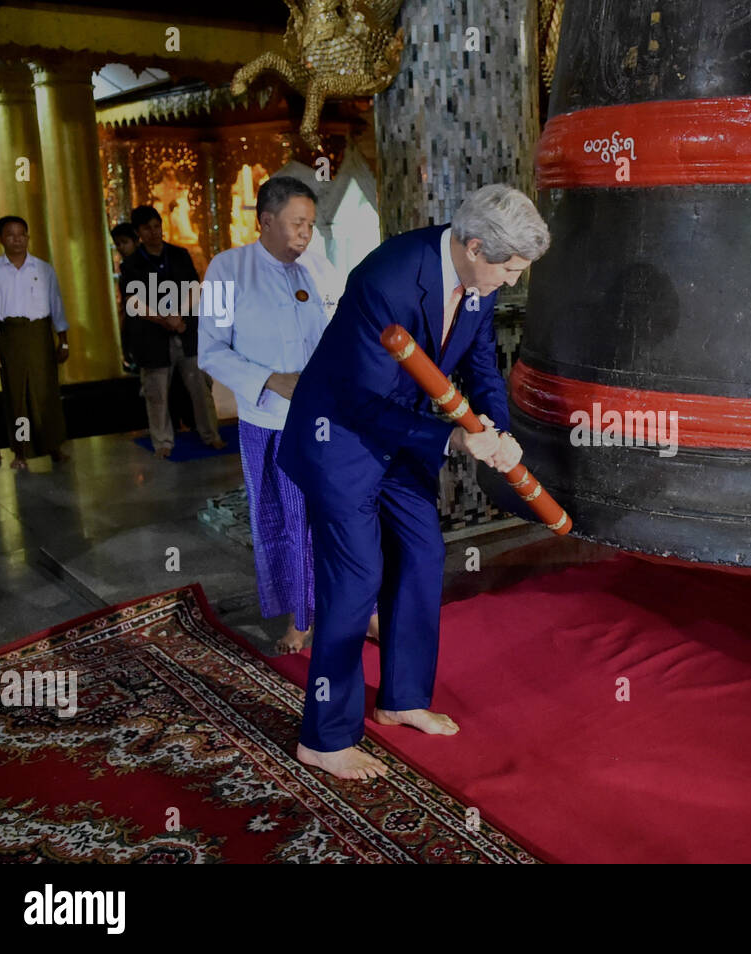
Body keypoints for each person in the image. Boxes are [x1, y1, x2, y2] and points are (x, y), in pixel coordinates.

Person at [278, 183, 549, 780]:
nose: (513, 281)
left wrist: (497, 433)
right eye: (509, 268)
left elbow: (479, 365)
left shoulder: (477, 283)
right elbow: (361, 400)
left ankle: (401, 699)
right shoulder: (389, 278)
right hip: (342, 435)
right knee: (356, 581)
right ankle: (323, 737)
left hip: (399, 434)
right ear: (475, 246)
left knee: (423, 554)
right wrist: (453, 439)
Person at [199, 176, 336, 654]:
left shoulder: (317, 268)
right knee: (286, 520)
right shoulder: (226, 269)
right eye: (297, 224)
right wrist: (271, 379)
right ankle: (302, 616)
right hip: (269, 421)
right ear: (266, 221)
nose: (305, 234)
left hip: (322, 421)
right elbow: (210, 352)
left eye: (311, 226)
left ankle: (354, 610)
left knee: (335, 517)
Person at [120, 205, 224, 458]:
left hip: (185, 330)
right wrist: (164, 319)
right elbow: (133, 301)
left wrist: (178, 316)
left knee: (200, 387)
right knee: (157, 393)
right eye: (147, 228)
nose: (154, 232)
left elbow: (193, 288)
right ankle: (163, 442)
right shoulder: (132, 264)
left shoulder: (179, 255)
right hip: (152, 336)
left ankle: (211, 434)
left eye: (157, 226)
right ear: (138, 233)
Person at [0, 215, 69, 470]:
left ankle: (54, 447)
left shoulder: (43, 269)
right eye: (10, 234)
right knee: (17, 397)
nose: (17, 239)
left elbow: (57, 306)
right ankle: (21, 451)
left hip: (40, 335)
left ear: (28, 237)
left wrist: (63, 341)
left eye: (21, 234)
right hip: (11, 337)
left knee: (46, 393)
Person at [111, 223, 140, 374]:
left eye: (124, 242)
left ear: (135, 241)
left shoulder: (142, 265)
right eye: (118, 244)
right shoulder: (126, 267)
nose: (121, 247)